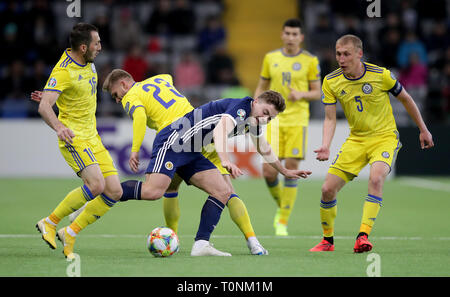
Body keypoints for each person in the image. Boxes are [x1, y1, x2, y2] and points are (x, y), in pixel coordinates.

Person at [102, 70, 311, 256]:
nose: (265, 119)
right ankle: (104, 190)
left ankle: (201, 244)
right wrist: (226, 161)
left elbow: (263, 147)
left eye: (271, 118)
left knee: (223, 191)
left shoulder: (254, 122)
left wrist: (284, 170)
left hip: (193, 150)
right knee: (153, 192)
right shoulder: (242, 108)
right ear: (256, 102)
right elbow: (221, 129)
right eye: (266, 113)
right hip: (176, 139)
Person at [310, 34, 434, 253]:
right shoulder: (331, 81)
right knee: (327, 189)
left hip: (384, 138)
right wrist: (326, 144)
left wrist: (423, 129)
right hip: (356, 140)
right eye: (338, 53)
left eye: (346, 54)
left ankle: (363, 236)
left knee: (376, 178)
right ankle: (327, 241)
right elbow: (330, 118)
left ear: (359, 53)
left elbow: (406, 98)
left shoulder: (381, 75)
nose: (341, 58)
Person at [34, 23, 123, 260]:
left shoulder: (89, 64)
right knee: (96, 186)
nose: (100, 47)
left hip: (92, 136)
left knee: (114, 191)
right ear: (83, 47)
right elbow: (45, 107)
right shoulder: (64, 71)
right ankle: (50, 222)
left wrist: (52, 95)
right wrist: (60, 126)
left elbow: (67, 95)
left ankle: (70, 231)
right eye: (97, 43)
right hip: (74, 138)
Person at [254, 18, 321, 236]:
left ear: (301, 37)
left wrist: (301, 94)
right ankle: (283, 206)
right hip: (274, 119)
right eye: (288, 33)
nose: (291, 37)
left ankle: (282, 220)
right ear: (282, 35)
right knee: (268, 170)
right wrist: (254, 110)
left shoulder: (310, 61)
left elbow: (317, 92)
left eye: (295, 34)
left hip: (297, 120)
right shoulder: (270, 58)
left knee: (291, 167)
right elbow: (261, 86)